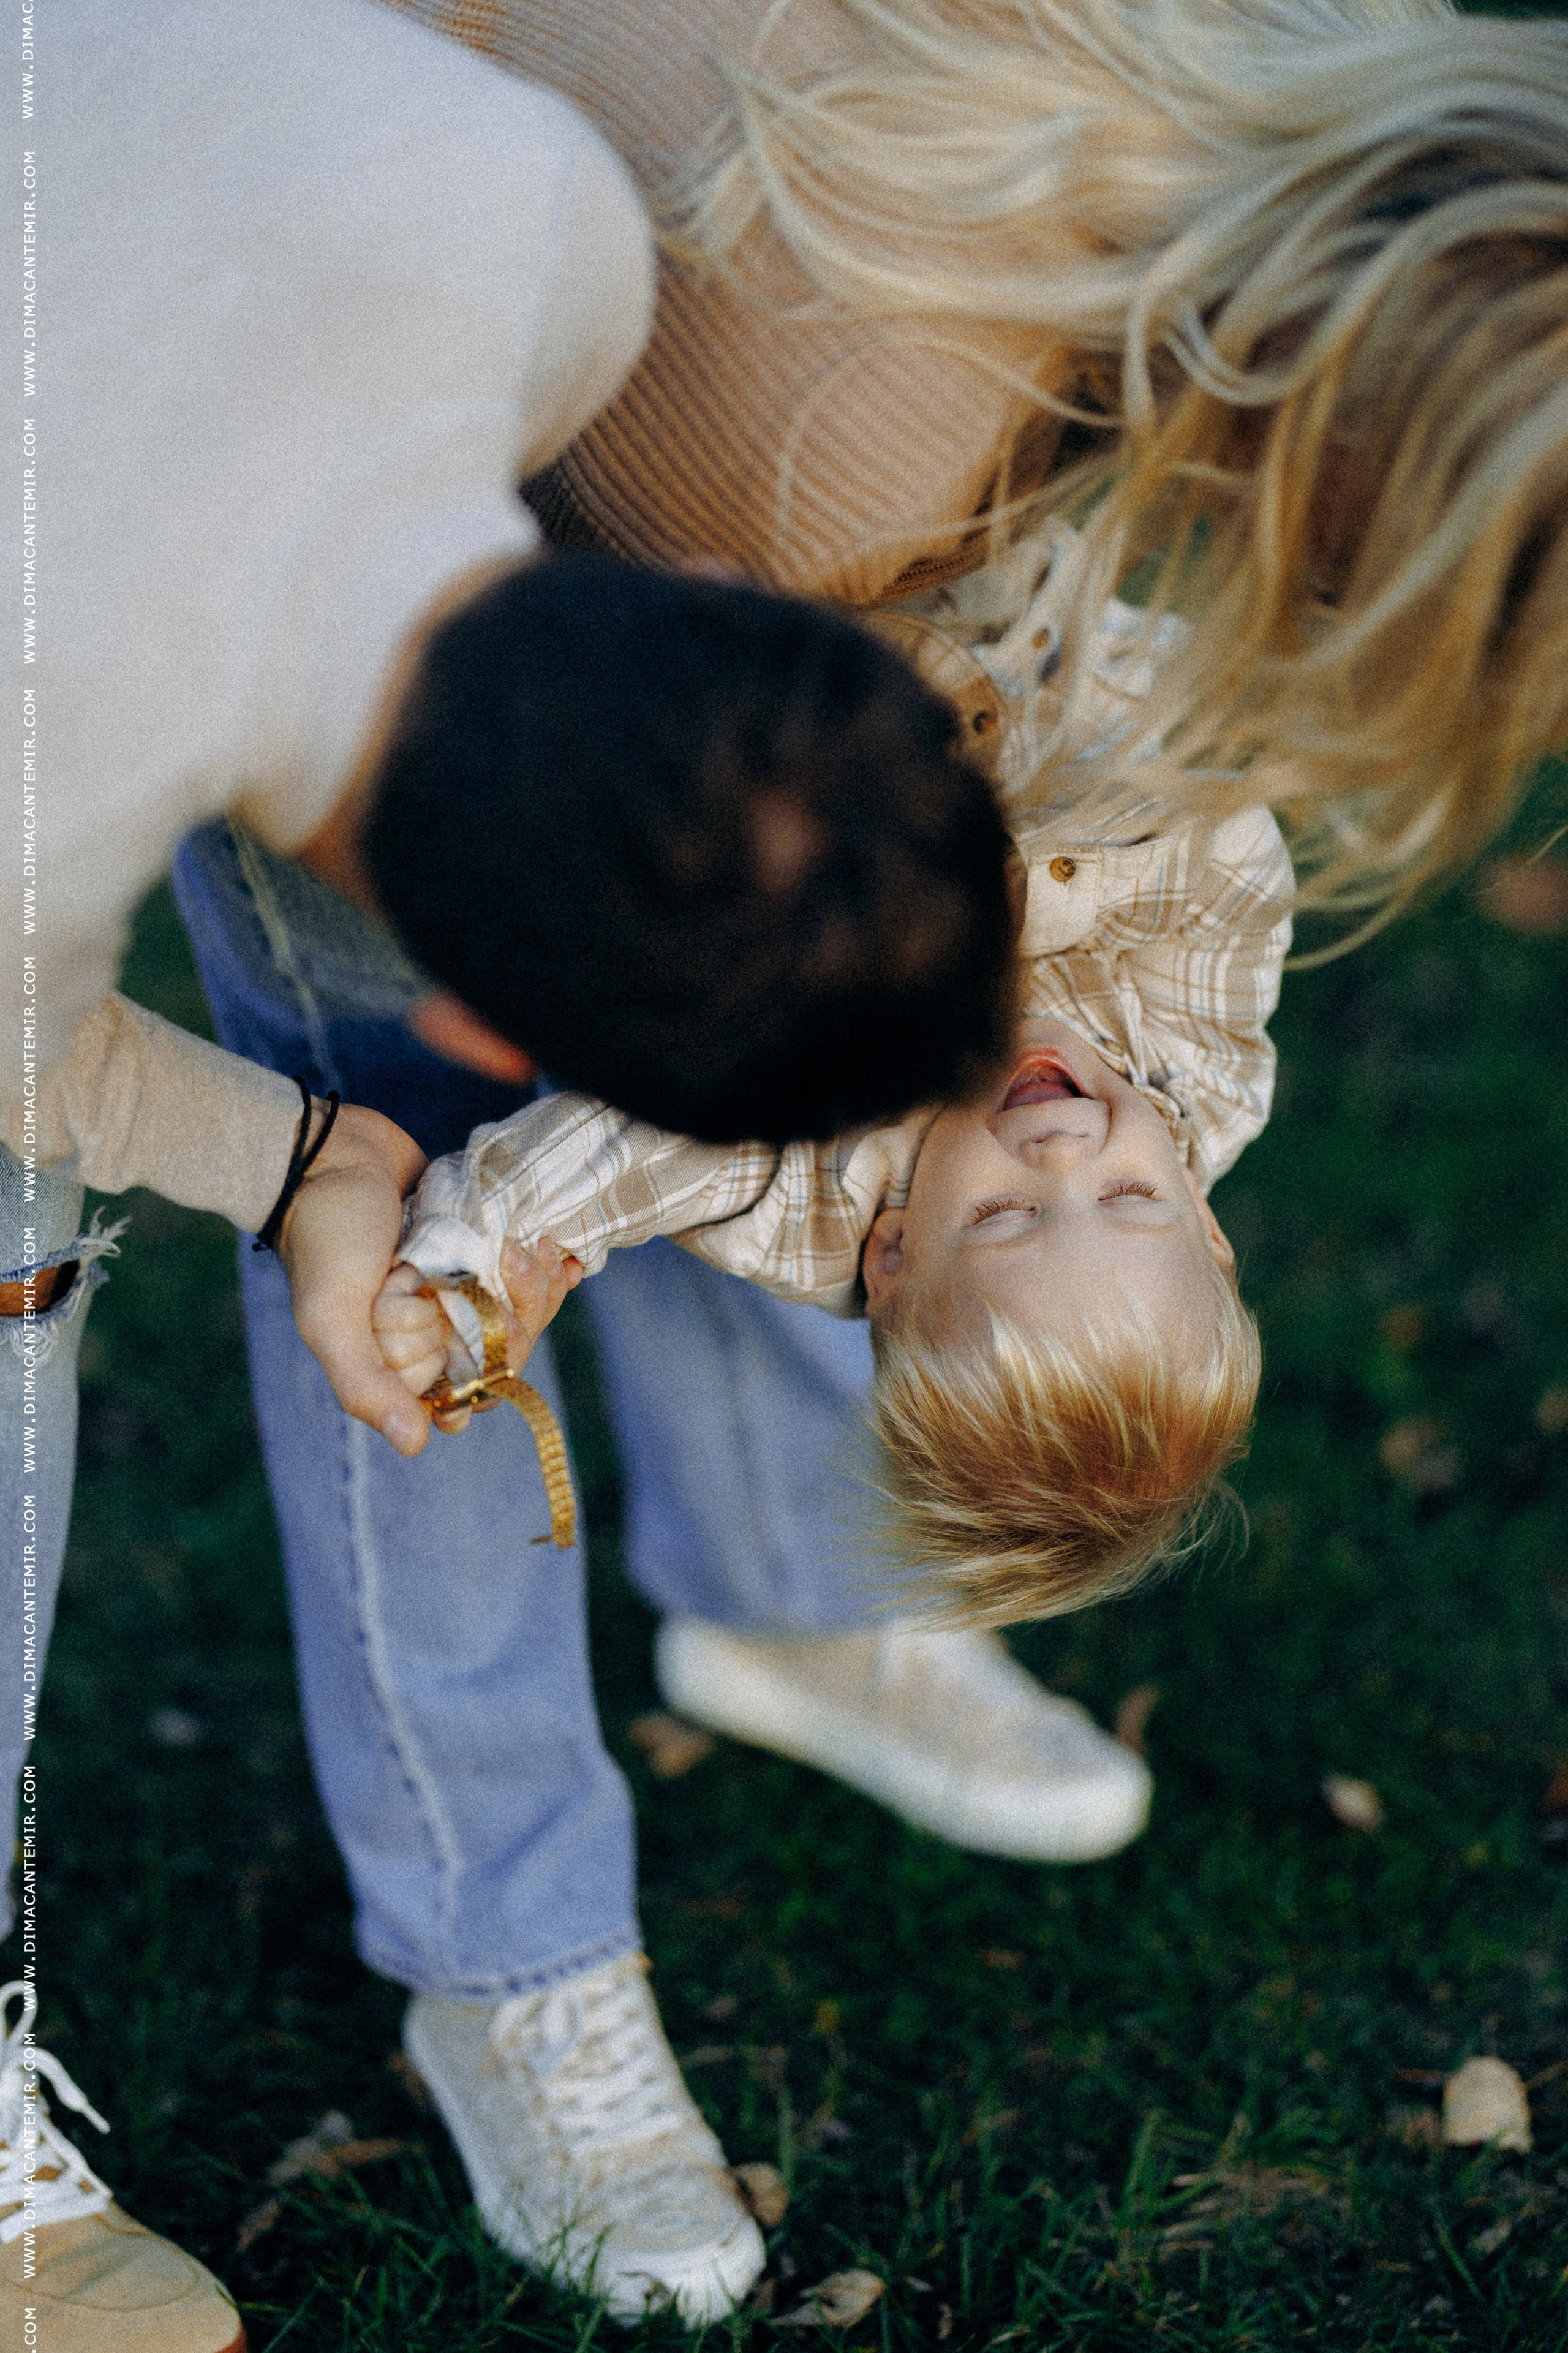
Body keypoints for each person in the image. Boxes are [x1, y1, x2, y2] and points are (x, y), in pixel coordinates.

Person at [2, 7, 1017, 2345]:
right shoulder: (29, 783)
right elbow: (23, 1053)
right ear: (488, 1046)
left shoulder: (536, 218)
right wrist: (296, 1152)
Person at [376, 596, 1292, 1647]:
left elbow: (617, 1158)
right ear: (1209, 1231)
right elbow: (1226, 848)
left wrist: (466, 1274)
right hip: (1020, 623)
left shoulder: (799, 1189)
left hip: (720, 671)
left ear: (895, 1253)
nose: (1064, 1151)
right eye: (1130, 1198)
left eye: (1004, 1217)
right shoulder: (1199, 1079)